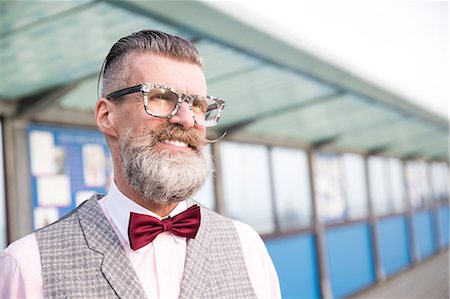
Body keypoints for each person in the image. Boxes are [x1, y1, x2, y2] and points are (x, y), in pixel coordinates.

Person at [0, 29, 281, 299]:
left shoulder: (247, 247)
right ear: (106, 116)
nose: (185, 118)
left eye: (196, 104)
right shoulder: (28, 265)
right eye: (160, 97)